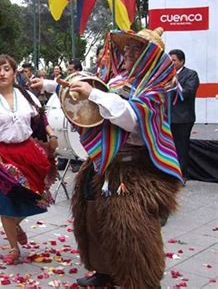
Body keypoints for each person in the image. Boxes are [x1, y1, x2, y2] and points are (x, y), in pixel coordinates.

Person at [34, 28, 183, 287]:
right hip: (103, 162)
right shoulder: (115, 80)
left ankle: (142, 279)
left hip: (134, 168)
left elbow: (132, 120)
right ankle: (104, 271)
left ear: (149, 56)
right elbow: (86, 91)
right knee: (93, 218)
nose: (126, 53)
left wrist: (93, 94)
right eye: (126, 48)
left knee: (131, 228)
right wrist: (49, 85)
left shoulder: (156, 87)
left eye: (134, 49)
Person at [0, 54, 58, 265]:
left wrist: (52, 135)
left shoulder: (27, 97)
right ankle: (14, 248)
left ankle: (15, 225)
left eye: (6, 69)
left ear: (15, 73)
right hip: (0, 156)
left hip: (27, 153)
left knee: (36, 198)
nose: (2, 73)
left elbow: (41, 120)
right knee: (6, 205)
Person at [169, 49, 200, 179]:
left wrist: (176, 84)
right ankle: (170, 174)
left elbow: (188, 93)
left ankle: (181, 176)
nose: (171, 63)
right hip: (168, 117)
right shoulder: (166, 75)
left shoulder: (191, 74)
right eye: (169, 61)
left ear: (182, 61)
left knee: (181, 148)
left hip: (183, 118)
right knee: (169, 148)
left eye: (174, 60)